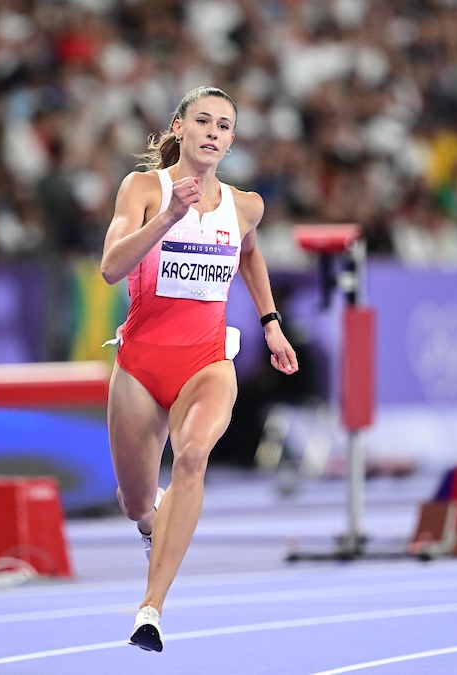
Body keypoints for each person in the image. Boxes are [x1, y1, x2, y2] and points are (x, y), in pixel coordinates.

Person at [100, 86, 298, 652]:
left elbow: (250, 253)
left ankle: (151, 608)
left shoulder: (245, 205)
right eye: (203, 121)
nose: (213, 131)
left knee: (191, 455)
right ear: (180, 129)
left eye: (224, 125)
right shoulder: (144, 189)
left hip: (207, 361)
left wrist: (270, 322)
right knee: (137, 502)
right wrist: (169, 216)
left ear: (232, 139)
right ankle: (149, 525)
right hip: (140, 364)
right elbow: (112, 268)